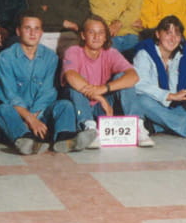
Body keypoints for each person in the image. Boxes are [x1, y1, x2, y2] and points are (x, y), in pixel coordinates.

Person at [0, 11, 96, 155]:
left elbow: (48, 92)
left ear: (42, 32)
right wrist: (29, 119)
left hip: (41, 113)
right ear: (18, 31)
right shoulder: (4, 58)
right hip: (18, 116)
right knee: (2, 109)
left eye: (36, 29)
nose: (32, 33)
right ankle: (26, 139)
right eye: (27, 28)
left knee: (65, 105)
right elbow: (10, 95)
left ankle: (65, 138)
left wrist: (36, 117)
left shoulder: (50, 57)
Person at [61, 15, 154, 148]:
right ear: (83, 35)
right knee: (74, 86)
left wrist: (104, 89)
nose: (96, 37)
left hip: (103, 108)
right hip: (81, 106)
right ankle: (90, 130)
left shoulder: (111, 52)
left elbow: (133, 77)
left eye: (101, 33)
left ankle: (138, 127)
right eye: (91, 32)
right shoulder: (73, 51)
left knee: (123, 78)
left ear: (105, 37)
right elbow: (70, 75)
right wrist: (99, 97)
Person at [133, 15, 186, 139]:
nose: (173, 39)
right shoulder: (145, 53)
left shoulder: (185, 54)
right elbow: (139, 84)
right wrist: (170, 96)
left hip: (175, 106)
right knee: (141, 101)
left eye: (177, 34)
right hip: (155, 103)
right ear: (158, 34)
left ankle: (156, 126)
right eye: (168, 33)